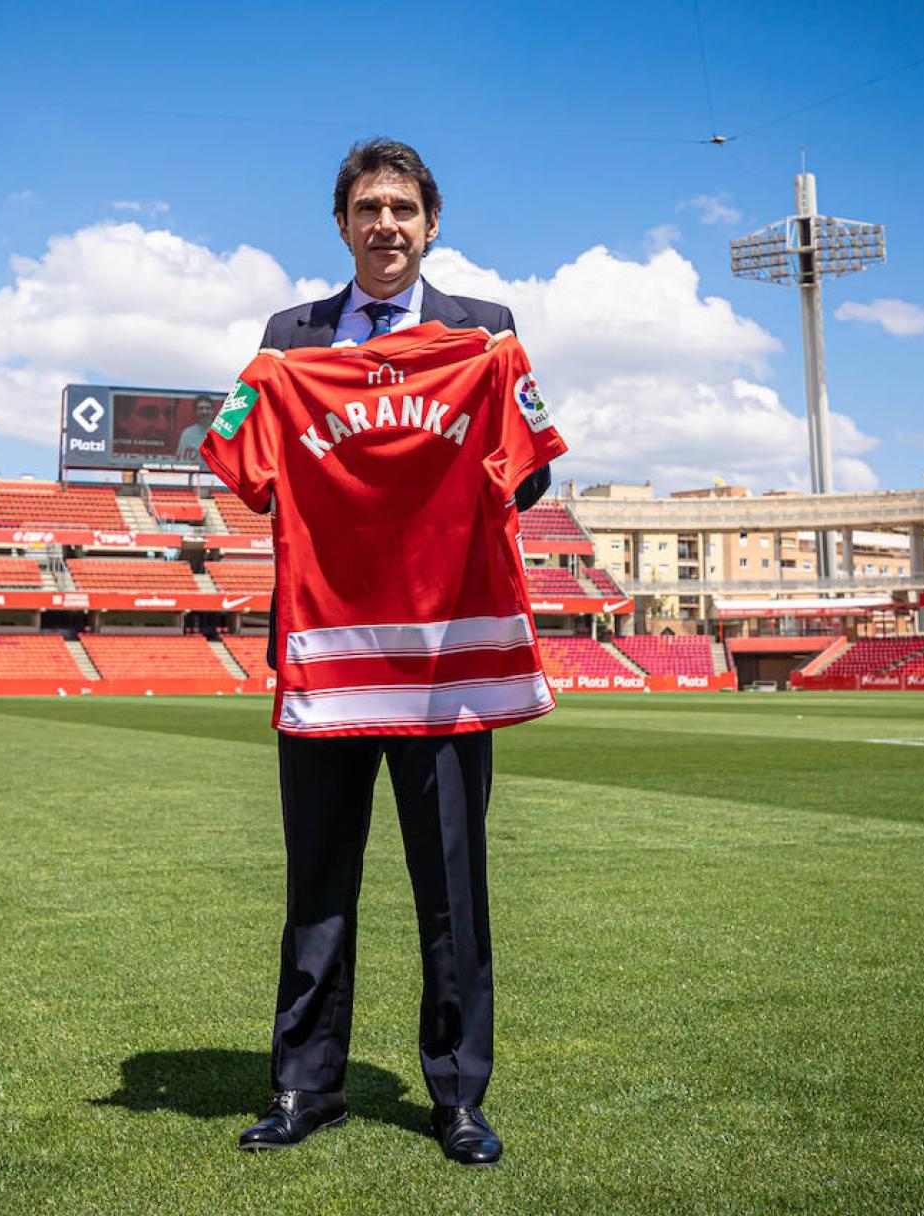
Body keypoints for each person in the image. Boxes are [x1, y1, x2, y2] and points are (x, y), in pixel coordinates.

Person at [225, 139, 556, 1167]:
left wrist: (440, 472)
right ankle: (304, 1084)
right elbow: (252, 468)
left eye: (403, 208)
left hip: (449, 655)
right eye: (367, 207)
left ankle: (458, 1094)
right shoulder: (288, 343)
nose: (386, 224)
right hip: (326, 652)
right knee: (317, 878)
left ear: (431, 222)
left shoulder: (486, 336)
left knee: (453, 885)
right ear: (341, 225)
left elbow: (530, 472)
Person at [175, 395, 218, 464]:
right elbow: (181, 461)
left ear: (212, 410)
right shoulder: (187, 434)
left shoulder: (221, 432)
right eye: (201, 408)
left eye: (207, 408)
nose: (204, 412)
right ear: (195, 411)